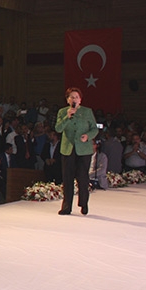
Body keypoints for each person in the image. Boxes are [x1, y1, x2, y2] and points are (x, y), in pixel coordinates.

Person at [55, 87, 98, 215]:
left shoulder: (87, 111)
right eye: (72, 97)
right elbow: (58, 128)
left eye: (76, 97)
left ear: (80, 99)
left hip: (83, 149)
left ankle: (83, 203)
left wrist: (88, 136)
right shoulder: (63, 112)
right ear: (67, 99)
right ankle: (66, 206)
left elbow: (94, 129)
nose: (74, 99)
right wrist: (67, 117)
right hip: (68, 148)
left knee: (82, 177)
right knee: (67, 178)